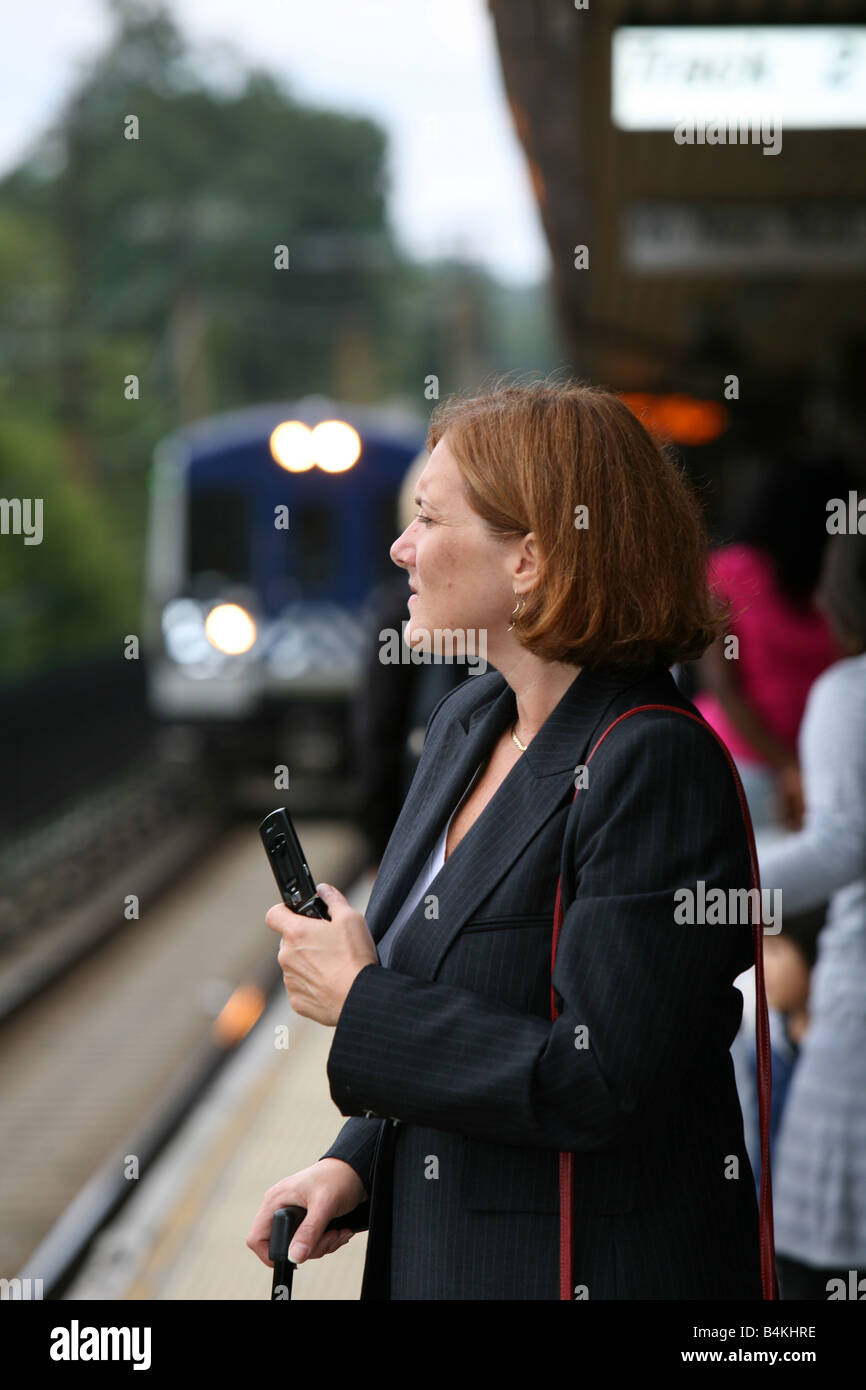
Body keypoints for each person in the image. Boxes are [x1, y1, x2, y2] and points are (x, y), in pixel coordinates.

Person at [247, 378, 770, 1300]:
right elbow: (463, 1000)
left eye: (427, 520)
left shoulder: (650, 763)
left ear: (530, 555)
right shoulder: (468, 721)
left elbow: (600, 1076)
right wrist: (357, 1164)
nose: (402, 549)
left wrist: (359, 1000)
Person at [756, 532, 866, 1300]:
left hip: (854, 1031)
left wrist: (699, 881)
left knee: (815, 1258)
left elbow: (842, 841)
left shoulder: (848, 692)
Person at [694, 456, 845, 836]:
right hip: (740, 761)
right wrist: (790, 765)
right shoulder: (727, 572)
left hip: (821, 763)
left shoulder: (833, 581)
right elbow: (724, 686)